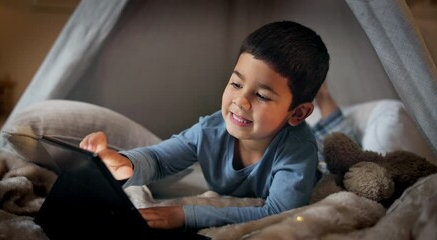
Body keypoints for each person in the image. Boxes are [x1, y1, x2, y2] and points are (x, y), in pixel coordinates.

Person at [79, 21, 330, 231]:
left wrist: (185, 215)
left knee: (334, 139)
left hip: (315, 154)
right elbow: (159, 159)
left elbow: (278, 212)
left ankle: (328, 105)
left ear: (297, 113)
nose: (240, 101)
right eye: (236, 84)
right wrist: (127, 164)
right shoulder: (211, 130)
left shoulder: (297, 151)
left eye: (262, 96)